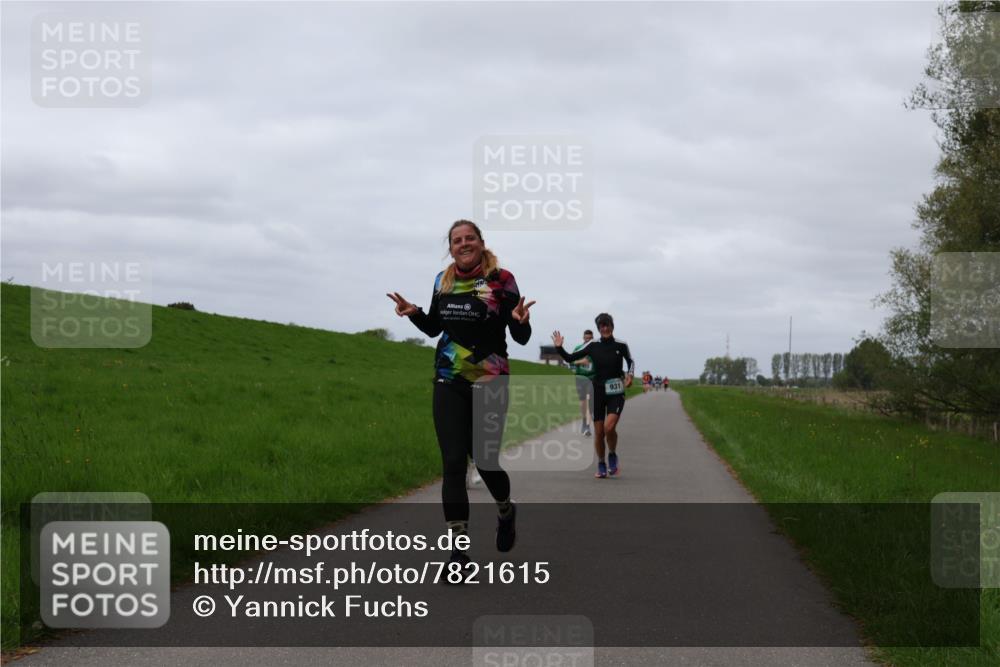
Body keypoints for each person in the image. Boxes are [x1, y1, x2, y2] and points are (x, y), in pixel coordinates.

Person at [388, 220, 535, 576]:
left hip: (491, 379)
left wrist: (519, 321)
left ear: (482, 243)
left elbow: (521, 337)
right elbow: (436, 328)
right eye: (457, 240)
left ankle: (505, 510)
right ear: (450, 247)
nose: (463, 244)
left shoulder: (502, 279)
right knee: (453, 464)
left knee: (485, 463)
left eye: (469, 238)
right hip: (448, 378)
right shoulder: (443, 280)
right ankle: (459, 554)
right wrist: (414, 315)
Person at [551, 313, 634, 479]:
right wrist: (559, 347)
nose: (605, 328)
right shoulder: (592, 345)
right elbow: (570, 358)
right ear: (598, 329)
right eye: (602, 326)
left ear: (612, 326)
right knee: (599, 432)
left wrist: (630, 375)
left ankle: (612, 454)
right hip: (597, 391)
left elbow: (630, 361)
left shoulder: (621, 345)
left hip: (616, 391)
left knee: (609, 428)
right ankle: (601, 462)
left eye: (607, 324)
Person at [570, 329, 595, 437]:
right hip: (580, 378)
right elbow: (570, 362)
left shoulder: (596, 349)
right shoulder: (578, 349)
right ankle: (584, 422)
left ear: (592, 339)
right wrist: (580, 362)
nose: (588, 340)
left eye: (590, 339)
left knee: (590, 402)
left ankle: (587, 426)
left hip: (592, 378)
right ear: (583, 338)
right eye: (586, 338)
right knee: (582, 402)